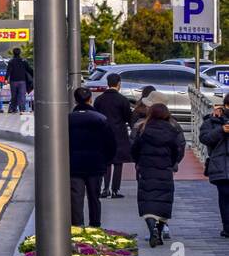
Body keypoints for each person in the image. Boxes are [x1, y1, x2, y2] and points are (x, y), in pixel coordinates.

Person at [131, 102, 185, 247]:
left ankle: (151, 230)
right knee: (163, 203)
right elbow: (177, 150)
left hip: (146, 170)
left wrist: (138, 161)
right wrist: (172, 163)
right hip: (164, 170)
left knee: (147, 203)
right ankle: (159, 233)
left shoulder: (143, 129)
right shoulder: (171, 130)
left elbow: (134, 149)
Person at [68, 88, 115, 228]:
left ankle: (77, 226)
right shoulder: (101, 119)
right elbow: (111, 144)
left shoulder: (67, 119)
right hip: (95, 165)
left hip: (74, 165)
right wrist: (105, 161)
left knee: (76, 198)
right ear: (90, 99)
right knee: (94, 197)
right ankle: (95, 226)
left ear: (75, 100)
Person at [93, 72, 133, 198]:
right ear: (119, 84)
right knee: (118, 162)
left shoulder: (99, 99)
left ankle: (105, 189)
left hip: (103, 133)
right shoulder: (123, 100)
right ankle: (115, 190)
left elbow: (96, 115)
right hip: (119, 133)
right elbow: (128, 117)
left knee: (106, 162)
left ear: (108, 83)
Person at [198, 95, 229, 240]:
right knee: (225, 195)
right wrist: (221, 130)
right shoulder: (212, 121)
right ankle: (227, 227)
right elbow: (204, 139)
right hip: (220, 164)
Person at [7, 48, 33, 113]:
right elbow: (29, 70)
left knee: (14, 95)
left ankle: (12, 109)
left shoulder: (11, 61)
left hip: (13, 81)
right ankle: (22, 109)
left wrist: (6, 78)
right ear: (20, 53)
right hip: (22, 81)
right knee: (22, 95)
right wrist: (35, 75)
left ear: (13, 53)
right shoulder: (24, 61)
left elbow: (8, 71)